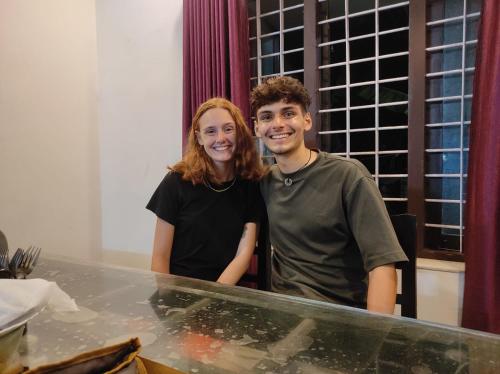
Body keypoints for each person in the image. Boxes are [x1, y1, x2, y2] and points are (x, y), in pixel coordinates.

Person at [251, 76, 408, 313]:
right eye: (267, 117)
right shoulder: (265, 181)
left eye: (288, 113)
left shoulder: (348, 175)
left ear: (306, 121)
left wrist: (375, 338)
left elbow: (382, 265)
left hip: (339, 314)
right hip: (281, 311)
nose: (277, 124)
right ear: (256, 128)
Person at [146, 98, 265, 285]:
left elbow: (244, 255)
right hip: (177, 293)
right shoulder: (176, 181)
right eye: (210, 131)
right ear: (199, 138)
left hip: (225, 292)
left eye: (228, 129)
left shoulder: (251, 184)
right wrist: (169, 302)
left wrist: (213, 298)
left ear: (239, 133)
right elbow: (160, 258)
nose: (221, 138)